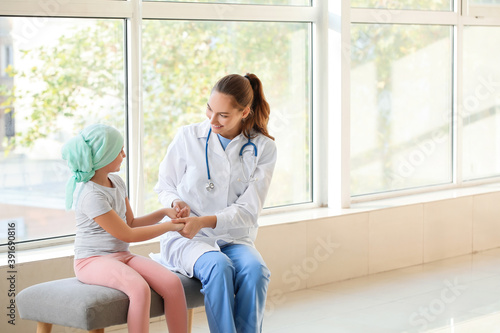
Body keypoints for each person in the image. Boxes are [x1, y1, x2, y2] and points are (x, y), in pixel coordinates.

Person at [151, 73, 277, 333]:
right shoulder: (188, 136)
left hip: (233, 237)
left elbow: (249, 211)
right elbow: (165, 185)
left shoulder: (262, 148)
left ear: (244, 112)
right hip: (186, 237)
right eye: (210, 109)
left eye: (223, 115)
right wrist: (176, 202)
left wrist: (205, 221)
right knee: (219, 268)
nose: (212, 120)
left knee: (256, 271)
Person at [62, 124, 188, 333]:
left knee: (173, 283)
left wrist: (165, 212)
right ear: (104, 156)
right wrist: (169, 227)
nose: (124, 154)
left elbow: (131, 223)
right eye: (119, 151)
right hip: (91, 261)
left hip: (122, 255)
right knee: (139, 288)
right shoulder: (91, 195)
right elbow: (128, 234)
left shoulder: (117, 182)